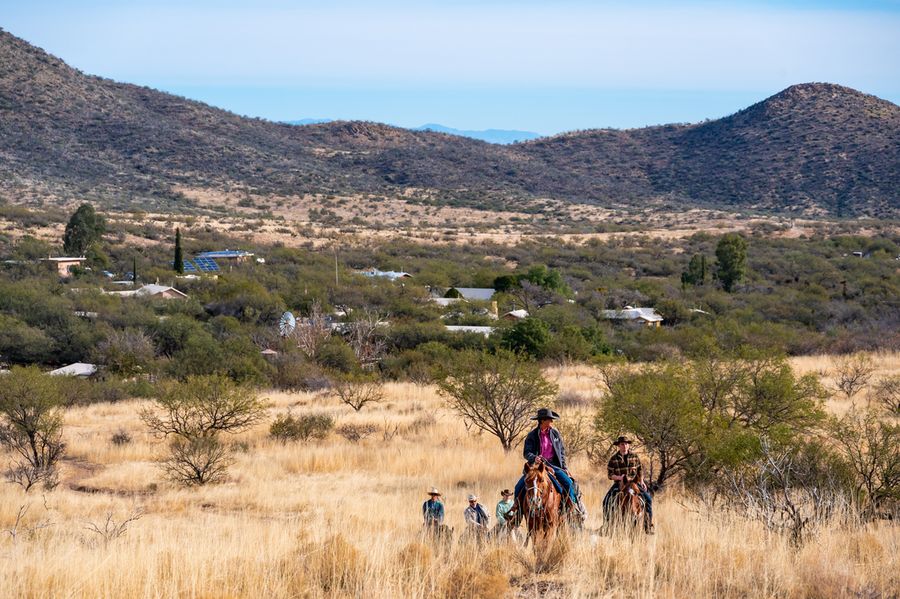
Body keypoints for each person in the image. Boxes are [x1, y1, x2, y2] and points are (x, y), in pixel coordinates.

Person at [512, 408, 583, 518]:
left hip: (553, 465)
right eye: (549, 420)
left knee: (568, 482)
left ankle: (573, 507)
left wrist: (564, 468)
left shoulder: (555, 434)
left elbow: (561, 452)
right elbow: (526, 452)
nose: (551, 422)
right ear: (542, 420)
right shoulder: (532, 435)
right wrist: (534, 458)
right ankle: (517, 513)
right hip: (536, 466)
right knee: (518, 487)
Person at [603, 436, 653, 533]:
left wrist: (642, 481)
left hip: (634, 483)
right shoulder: (613, 459)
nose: (624, 446)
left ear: (628, 445)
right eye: (622, 444)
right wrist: (619, 478)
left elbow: (640, 470)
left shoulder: (635, 457)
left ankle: (647, 526)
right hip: (620, 483)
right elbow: (610, 475)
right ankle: (607, 527)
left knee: (648, 499)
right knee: (606, 501)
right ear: (618, 446)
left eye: (626, 444)